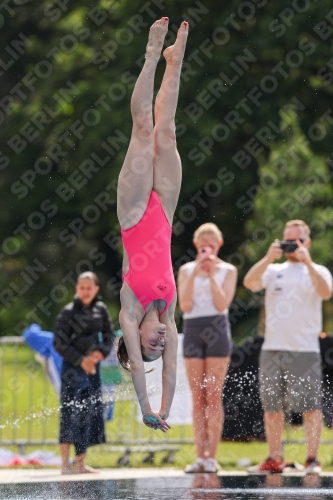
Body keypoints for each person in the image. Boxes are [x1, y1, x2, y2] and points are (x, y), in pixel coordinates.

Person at [116, 18, 189, 432]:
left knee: (144, 129)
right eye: (160, 345)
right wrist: (164, 409)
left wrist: (144, 407)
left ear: (136, 341)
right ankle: (174, 61)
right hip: (164, 211)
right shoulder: (169, 311)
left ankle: (150, 54)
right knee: (169, 134)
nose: (159, 342)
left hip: (133, 214)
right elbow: (170, 370)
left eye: (151, 345)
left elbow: (141, 373)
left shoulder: (130, 310)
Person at [243, 220, 333, 474]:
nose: (292, 245)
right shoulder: (273, 270)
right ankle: (273, 459)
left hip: (305, 349)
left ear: (307, 242)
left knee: (310, 407)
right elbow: (249, 283)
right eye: (288, 240)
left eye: (298, 241)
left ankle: (312, 460)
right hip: (273, 348)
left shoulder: (318, 270)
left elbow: (326, 292)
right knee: (272, 407)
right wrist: (267, 258)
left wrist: (307, 262)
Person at [177, 223, 237, 473]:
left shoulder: (228, 270)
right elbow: (185, 305)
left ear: (219, 246)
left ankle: (212, 456)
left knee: (213, 396)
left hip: (217, 330)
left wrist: (211, 274)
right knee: (197, 397)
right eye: (203, 246)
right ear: (196, 246)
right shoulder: (185, 270)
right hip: (193, 330)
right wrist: (195, 273)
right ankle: (199, 456)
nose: (207, 251)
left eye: (211, 246)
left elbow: (223, 301)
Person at [54, 272, 115, 474]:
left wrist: (100, 353)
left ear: (96, 289)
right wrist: (82, 360)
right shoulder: (67, 312)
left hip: (93, 368)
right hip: (72, 368)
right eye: (82, 288)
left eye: (89, 288)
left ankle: (80, 462)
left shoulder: (101, 309)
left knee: (88, 413)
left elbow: (109, 334)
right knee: (70, 411)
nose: (86, 291)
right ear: (76, 289)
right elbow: (59, 343)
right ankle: (65, 464)